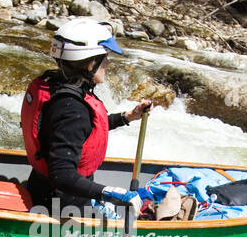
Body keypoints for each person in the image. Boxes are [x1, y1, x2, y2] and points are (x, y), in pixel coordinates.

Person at [19, 19, 153, 220]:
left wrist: (127, 117)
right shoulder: (72, 109)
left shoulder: (56, 87)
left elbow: (81, 131)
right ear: (90, 63)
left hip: (44, 188)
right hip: (62, 205)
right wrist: (109, 192)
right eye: (103, 58)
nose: (107, 63)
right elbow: (61, 176)